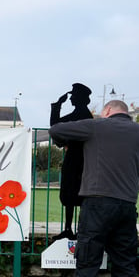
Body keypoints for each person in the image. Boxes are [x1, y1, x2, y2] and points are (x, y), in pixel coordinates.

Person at [49, 99, 139, 277]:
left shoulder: (96, 126)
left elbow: (56, 130)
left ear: (107, 111)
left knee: (87, 260)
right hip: (126, 204)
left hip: (97, 202)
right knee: (125, 261)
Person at [49, 83, 93, 241]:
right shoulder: (78, 113)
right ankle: (68, 228)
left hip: (80, 158)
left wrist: (57, 106)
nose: (72, 98)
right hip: (74, 156)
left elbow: (56, 126)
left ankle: (78, 229)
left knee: (78, 192)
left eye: (74, 96)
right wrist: (58, 105)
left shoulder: (82, 114)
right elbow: (57, 126)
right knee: (70, 191)